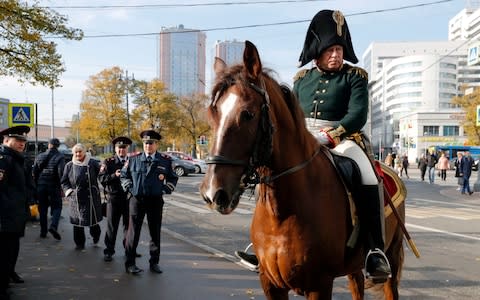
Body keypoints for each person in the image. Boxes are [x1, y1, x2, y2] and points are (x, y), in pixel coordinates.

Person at [236, 9, 391, 281]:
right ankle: (261, 242)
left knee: (366, 173)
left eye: (339, 49)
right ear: (316, 51)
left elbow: (357, 115)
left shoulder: (355, 76)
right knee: (270, 172)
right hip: (303, 137)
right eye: (330, 49)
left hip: (341, 140)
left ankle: (374, 249)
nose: (336, 55)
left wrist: (330, 135)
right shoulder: (301, 80)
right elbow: (292, 114)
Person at [120, 130, 178, 275]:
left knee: (155, 232)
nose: (148, 146)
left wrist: (165, 189)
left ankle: (154, 262)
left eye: (151, 143)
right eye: (145, 143)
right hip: (137, 200)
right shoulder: (133, 159)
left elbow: (173, 178)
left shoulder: (165, 160)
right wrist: (129, 188)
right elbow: (123, 175)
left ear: (156, 144)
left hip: (155, 200)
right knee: (133, 232)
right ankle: (130, 263)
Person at [0, 126, 35, 299]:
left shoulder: (18, 159)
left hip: (16, 213)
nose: (22, 143)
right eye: (18, 140)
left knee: (13, 247)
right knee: (4, 250)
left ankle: (9, 273)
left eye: (23, 141)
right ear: (6, 140)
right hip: (6, 214)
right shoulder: (3, 159)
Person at [61, 143, 102, 250]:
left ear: (84, 152)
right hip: (76, 198)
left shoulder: (92, 163)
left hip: (91, 197)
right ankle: (79, 244)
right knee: (78, 223)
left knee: (92, 222)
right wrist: (69, 192)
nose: (78, 154)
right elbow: (64, 181)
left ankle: (96, 237)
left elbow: (102, 176)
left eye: (80, 151)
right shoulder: (69, 165)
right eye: (76, 152)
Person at [99, 136, 134, 262]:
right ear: (115, 148)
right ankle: (109, 251)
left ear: (127, 148)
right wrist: (115, 175)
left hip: (129, 198)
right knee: (112, 226)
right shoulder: (108, 161)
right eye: (119, 148)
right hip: (113, 198)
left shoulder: (133, 161)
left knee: (128, 226)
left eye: (124, 148)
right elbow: (102, 179)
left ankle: (129, 250)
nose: (121, 150)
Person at [33, 138, 65, 240]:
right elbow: (61, 173)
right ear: (58, 146)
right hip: (54, 185)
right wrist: (62, 187)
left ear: (49, 145)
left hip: (41, 185)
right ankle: (53, 226)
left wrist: (37, 184)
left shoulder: (40, 156)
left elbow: (35, 172)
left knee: (42, 208)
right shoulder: (60, 157)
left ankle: (43, 232)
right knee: (57, 207)